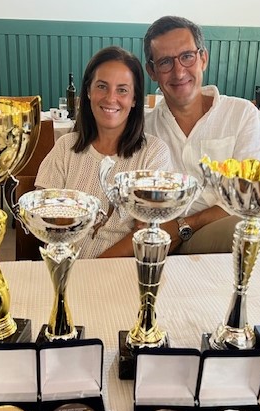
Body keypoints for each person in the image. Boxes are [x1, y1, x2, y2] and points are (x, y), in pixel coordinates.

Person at [144, 16, 260, 254]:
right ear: (152, 71)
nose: (179, 72)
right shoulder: (145, 128)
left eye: (187, 56)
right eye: (165, 62)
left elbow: (250, 194)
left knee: (246, 232)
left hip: (230, 225)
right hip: (167, 241)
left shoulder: (241, 114)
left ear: (203, 58)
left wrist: (185, 224)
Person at [35, 46, 172, 259]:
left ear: (135, 99)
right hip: (64, 265)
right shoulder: (65, 147)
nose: (110, 98)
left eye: (122, 90)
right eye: (102, 86)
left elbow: (145, 232)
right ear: (88, 92)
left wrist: (93, 268)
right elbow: (44, 218)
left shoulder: (154, 154)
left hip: (122, 270)